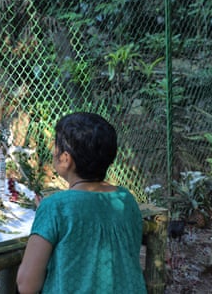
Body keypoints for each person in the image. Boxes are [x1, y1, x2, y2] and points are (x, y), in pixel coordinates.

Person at [16, 112, 146, 294]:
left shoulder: (55, 207)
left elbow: (26, 285)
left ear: (66, 159)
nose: (53, 152)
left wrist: (46, 214)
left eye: (55, 147)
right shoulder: (126, 199)